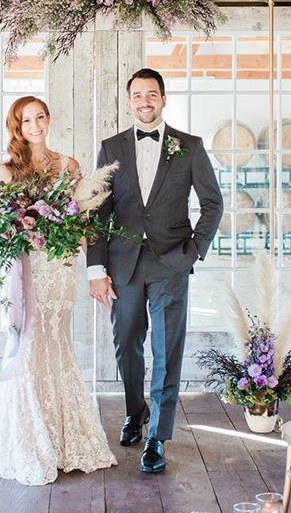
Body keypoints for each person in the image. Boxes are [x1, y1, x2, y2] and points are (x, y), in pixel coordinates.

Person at [0, 95, 117, 485]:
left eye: (40, 117)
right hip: (26, 271)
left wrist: (83, 254)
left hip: (60, 267)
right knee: (28, 341)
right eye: (26, 120)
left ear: (49, 120)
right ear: (16, 127)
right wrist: (20, 231)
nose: (34, 125)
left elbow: (84, 221)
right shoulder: (6, 170)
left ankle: (64, 436)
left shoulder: (68, 166)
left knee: (56, 340)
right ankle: (27, 436)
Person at [87, 68, 223, 473]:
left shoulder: (191, 146)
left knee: (166, 350)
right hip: (122, 262)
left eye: (152, 94)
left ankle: (158, 437)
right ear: (129, 102)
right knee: (126, 340)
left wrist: (193, 251)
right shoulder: (110, 147)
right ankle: (135, 412)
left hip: (171, 262)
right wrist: (96, 268)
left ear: (163, 99)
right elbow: (96, 210)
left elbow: (212, 203)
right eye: (137, 95)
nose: (144, 102)